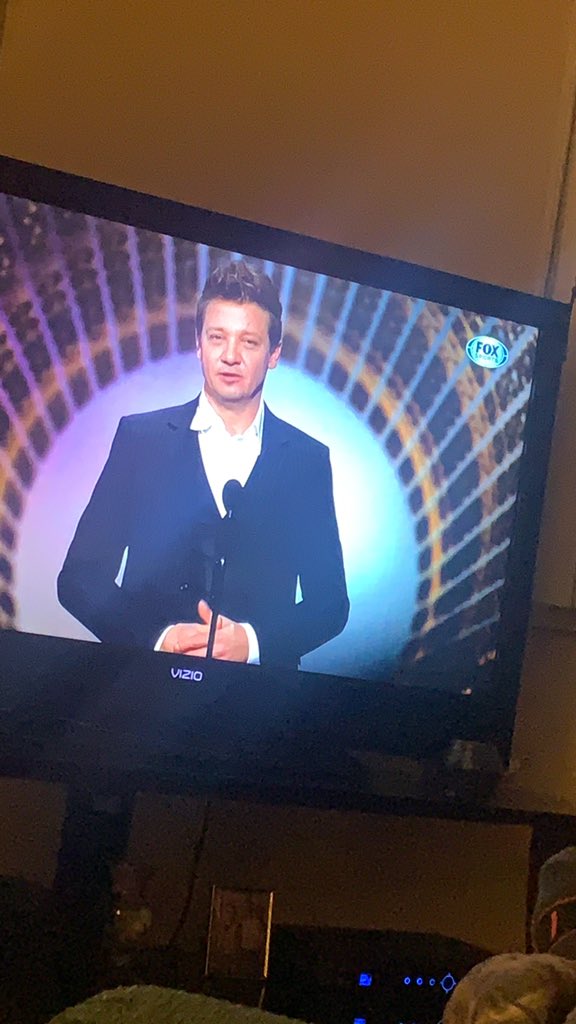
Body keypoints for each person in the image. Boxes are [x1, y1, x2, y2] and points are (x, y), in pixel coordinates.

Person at [57, 260, 349, 670]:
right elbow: (80, 578)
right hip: (141, 690)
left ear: (274, 354)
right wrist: (157, 638)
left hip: (257, 701)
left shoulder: (307, 460)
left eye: (249, 342)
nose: (230, 356)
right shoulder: (141, 440)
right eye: (217, 338)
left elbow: (330, 603)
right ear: (199, 345)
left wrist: (251, 643)